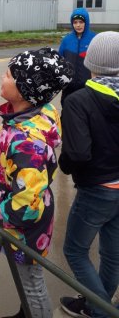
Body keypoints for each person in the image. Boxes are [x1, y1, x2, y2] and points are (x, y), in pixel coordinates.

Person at [0, 47, 74, 318]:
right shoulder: (26, 116)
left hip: (23, 230)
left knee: (32, 283)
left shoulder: (28, 142)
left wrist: (0, 217)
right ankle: (24, 312)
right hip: (20, 225)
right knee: (26, 279)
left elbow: (28, 204)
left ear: (26, 90)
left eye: (8, 75)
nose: (1, 78)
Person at [59, 31, 119, 318]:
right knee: (111, 253)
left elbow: (78, 153)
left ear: (90, 62)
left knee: (74, 250)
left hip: (97, 189)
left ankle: (100, 311)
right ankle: (99, 303)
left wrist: (64, 163)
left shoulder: (79, 100)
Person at [58, 7, 95, 106]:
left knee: (86, 114)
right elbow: (59, 62)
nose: (78, 25)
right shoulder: (66, 40)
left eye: (81, 22)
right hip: (69, 87)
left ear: (86, 22)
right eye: (75, 22)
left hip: (87, 88)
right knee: (66, 112)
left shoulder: (94, 39)